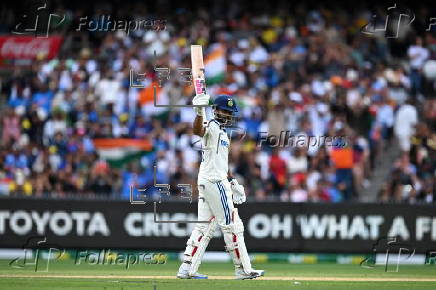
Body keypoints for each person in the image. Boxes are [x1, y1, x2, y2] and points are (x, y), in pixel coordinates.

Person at [177, 94, 264, 280]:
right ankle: (243, 269)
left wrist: (233, 183)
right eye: (224, 110)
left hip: (214, 179)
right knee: (232, 224)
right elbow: (198, 130)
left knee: (204, 227)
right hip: (214, 181)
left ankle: (187, 268)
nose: (227, 115)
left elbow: (222, 163)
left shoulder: (224, 133)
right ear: (215, 110)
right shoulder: (211, 125)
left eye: (230, 112)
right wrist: (199, 111)